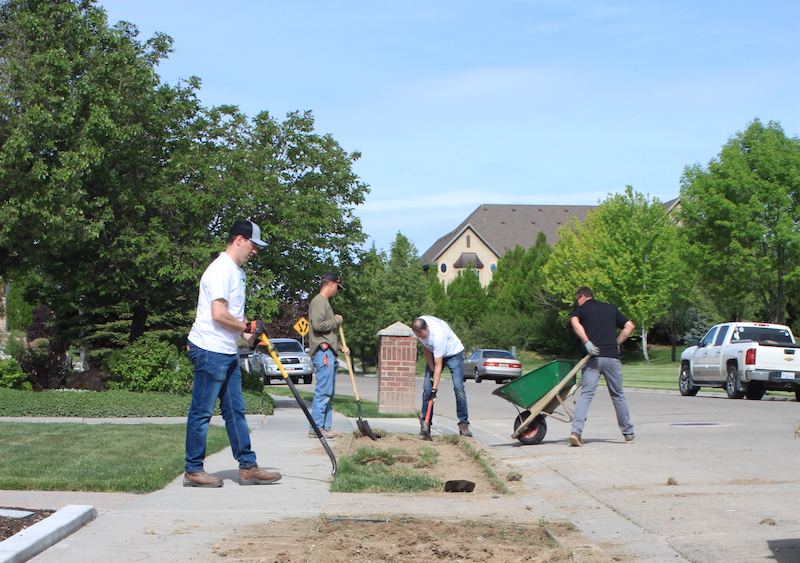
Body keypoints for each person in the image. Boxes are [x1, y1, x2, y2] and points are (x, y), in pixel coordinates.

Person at [184, 220, 282, 487]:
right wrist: (245, 326)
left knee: (235, 411)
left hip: (226, 352)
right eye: (253, 245)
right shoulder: (220, 270)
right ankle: (193, 470)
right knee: (202, 412)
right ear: (239, 239)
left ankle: (248, 467)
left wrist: (251, 336)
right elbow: (218, 315)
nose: (255, 251)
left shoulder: (236, 272)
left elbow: (235, 316)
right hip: (208, 350)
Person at [568, 286, 635, 447]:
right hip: (612, 358)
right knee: (618, 395)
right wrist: (616, 343)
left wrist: (586, 342)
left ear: (582, 296)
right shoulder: (610, 309)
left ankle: (576, 432)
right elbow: (629, 326)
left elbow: (574, 321)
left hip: (592, 359)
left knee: (586, 395)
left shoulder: (583, 310)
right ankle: (628, 434)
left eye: (577, 300)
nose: (577, 303)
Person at [412, 316, 472, 437]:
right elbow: (427, 350)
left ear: (427, 328)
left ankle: (464, 424)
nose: (422, 337)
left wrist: (435, 389)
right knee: (427, 388)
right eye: (420, 336)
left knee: (458, 387)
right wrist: (431, 371)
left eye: (423, 335)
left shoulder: (438, 335)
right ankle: (426, 423)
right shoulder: (419, 330)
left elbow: (438, 366)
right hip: (435, 354)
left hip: (453, 353)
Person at [308, 272, 349, 439]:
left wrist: (339, 346)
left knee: (328, 393)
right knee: (323, 392)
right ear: (331, 284)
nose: (337, 291)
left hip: (329, 351)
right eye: (337, 287)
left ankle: (325, 426)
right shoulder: (319, 301)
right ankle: (316, 428)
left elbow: (326, 333)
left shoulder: (324, 303)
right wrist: (337, 320)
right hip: (323, 353)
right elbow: (318, 325)